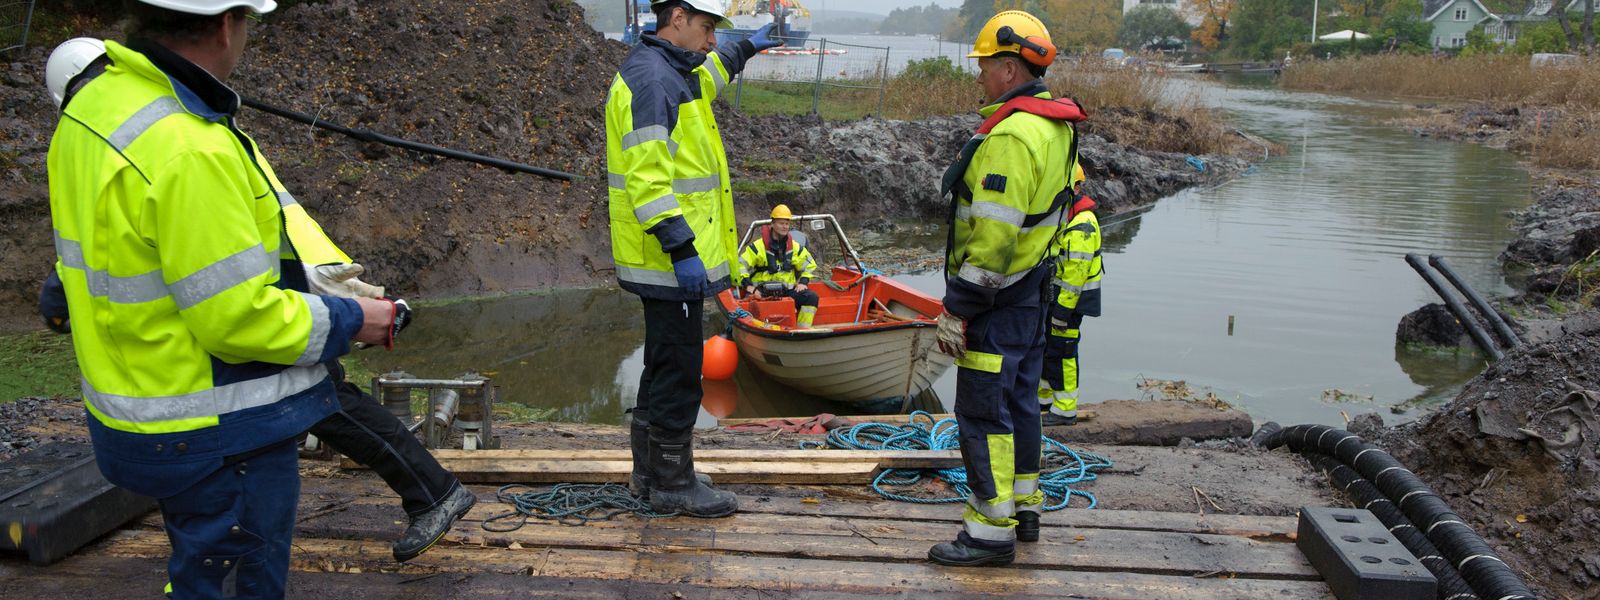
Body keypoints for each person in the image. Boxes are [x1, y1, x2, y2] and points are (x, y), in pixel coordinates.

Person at [42, 34, 474, 566]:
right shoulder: (154, 121)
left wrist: (347, 312)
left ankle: (435, 491)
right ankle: (433, 491)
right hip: (276, 277)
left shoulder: (138, 132)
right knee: (326, 403)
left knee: (327, 402)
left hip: (273, 286)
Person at [604, 0, 783, 517]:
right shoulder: (655, 82)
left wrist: (745, 48)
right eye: (707, 27)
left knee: (662, 364)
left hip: (662, 259)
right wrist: (683, 250)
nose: (711, 41)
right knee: (680, 371)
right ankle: (673, 483)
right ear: (677, 17)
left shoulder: (669, 70)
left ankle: (650, 474)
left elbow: (710, 75)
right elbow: (648, 182)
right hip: (670, 259)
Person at [929, 10, 1085, 567]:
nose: (979, 74)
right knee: (1021, 406)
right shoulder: (1056, 127)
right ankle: (1025, 508)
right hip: (1031, 296)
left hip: (995, 303)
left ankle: (989, 534)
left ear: (1010, 69)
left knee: (983, 414)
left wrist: (957, 308)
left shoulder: (1013, 135)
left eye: (985, 65)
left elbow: (993, 237)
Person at [1038, 163, 1102, 427]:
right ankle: (1043, 401)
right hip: (1057, 298)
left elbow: (1076, 275)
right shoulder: (1067, 216)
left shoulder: (1082, 225)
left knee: (1062, 353)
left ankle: (1065, 410)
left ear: (1075, 188)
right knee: (1047, 349)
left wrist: (1062, 312)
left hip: (1070, 303)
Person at [738, 204, 820, 328]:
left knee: (811, 297)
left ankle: (802, 330)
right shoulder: (757, 247)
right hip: (761, 292)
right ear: (772, 224)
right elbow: (740, 265)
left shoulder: (794, 247)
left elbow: (810, 264)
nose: (785, 226)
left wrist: (803, 282)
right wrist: (749, 286)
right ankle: (759, 329)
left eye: (787, 223)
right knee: (750, 307)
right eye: (781, 223)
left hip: (787, 291)